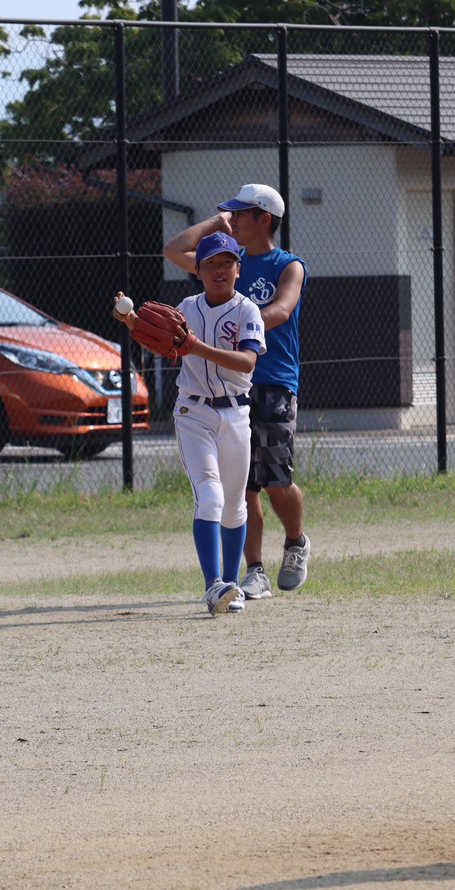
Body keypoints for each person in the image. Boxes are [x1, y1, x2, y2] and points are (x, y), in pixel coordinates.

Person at [164, 183, 310, 598]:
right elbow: (174, 252)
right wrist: (215, 223)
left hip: (275, 379)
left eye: (239, 214)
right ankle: (254, 570)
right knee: (240, 487)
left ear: (263, 219)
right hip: (227, 387)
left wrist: (237, 322)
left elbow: (281, 310)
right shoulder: (227, 260)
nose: (234, 220)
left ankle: (296, 541)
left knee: (277, 479)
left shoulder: (288, 264)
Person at [115, 231, 265, 616]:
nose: (219, 270)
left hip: (236, 413)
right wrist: (132, 321)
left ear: (238, 268)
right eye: (211, 264)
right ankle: (213, 584)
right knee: (210, 496)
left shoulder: (248, 311)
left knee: (234, 507)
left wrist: (195, 347)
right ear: (197, 270)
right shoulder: (185, 308)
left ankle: (231, 587)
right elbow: (161, 341)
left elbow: (247, 362)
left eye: (227, 262)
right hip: (193, 413)